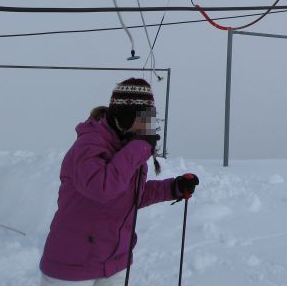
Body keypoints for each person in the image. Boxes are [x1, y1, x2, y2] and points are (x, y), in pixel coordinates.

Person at [39, 78, 200, 285]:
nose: (148, 124)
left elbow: (129, 194)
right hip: (73, 265)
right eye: (143, 117)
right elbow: (102, 189)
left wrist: (172, 188)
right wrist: (139, 148)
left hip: (114, 261)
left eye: (150, 117)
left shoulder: (128, 145)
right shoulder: (90, 144)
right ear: (125, 116)